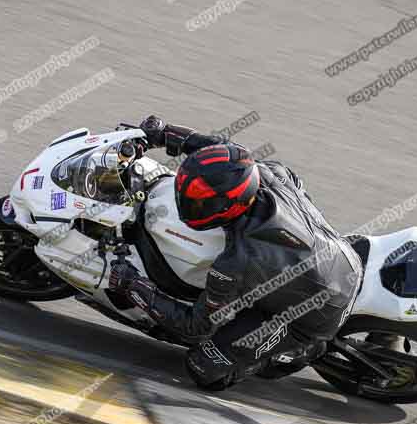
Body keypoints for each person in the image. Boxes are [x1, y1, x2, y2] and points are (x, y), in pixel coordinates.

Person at [109, 115, 363, 390]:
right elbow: (221, 150)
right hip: (341, 254)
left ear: (227, 207)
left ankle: (296, 353)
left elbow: (195, 327)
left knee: (202, 367)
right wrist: (163, 133)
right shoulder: (266, 172)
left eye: (199, 202)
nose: (188, 201)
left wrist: (133, 286)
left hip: (317, 313)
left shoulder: (236, 262)